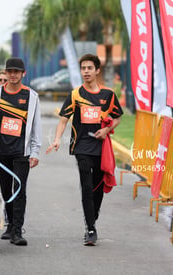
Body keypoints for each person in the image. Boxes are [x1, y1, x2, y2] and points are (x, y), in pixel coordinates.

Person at [46, 54, 123, 246]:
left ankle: (92, 216)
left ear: (97, 70)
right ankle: (90, 228)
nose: (86, 71)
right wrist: (56, 139)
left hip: (101, 148)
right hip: (81, 146)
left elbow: (117, 117)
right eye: (83, 68)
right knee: (86, 185)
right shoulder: (75, 94)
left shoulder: (108, 95)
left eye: (89, 68)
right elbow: (63, 119)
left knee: (97, 188)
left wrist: (106, 129)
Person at [0, 57, 42, 246]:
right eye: (9, 71)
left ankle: (18, 231)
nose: (12, 75)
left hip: (22, 151)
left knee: (19, 190)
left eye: (16, 72)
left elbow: (36, 127)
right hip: (1, 151)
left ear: (23, 74)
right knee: (5, 191)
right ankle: (10, 225)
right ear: (6, 72)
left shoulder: (31, 96)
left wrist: (35, 152)